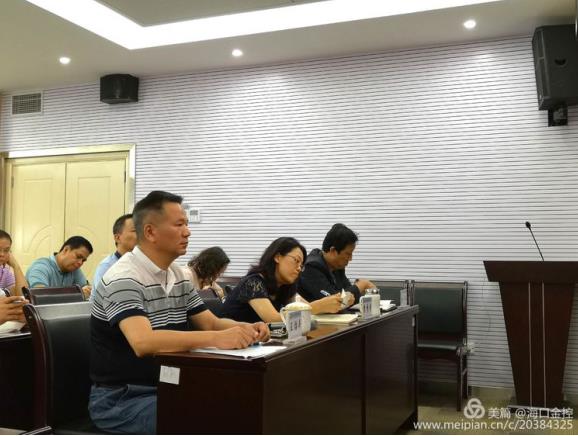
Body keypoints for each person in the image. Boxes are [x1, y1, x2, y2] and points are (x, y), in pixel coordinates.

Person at [89, 191, 269, 434]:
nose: (188, 232)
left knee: (245, 403)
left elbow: (210, 323)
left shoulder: (177, 275)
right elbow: (143, 342)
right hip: (122, 399)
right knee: (210, 420)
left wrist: (246, 328)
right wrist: (218, 338)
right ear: (150, 232)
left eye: (186, 224)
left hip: (169, 383)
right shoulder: (124, 277)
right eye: (179, 224)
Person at [221, 237, 347, 324]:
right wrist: (317, 307)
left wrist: (329, 304)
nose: (299, 268)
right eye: (296, 261)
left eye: (301, 265)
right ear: (277, 257)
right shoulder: (253, 282)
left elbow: (302, 307)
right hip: (227, 345)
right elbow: (273, 319)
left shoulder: (285, 286)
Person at [299, 223, 376, 304]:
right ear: (333, 250)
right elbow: (334, 302)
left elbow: (348, 294)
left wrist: (358, 290)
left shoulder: (336, 266)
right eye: (348, 254)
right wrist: (361, 285)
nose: (350, 258)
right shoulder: (311, 267)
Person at [25, 236, 93, 299]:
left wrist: (86, 291)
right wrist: (77, 295)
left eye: (83, 260)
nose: (80, 263)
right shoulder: (41, 266)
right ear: (66, 250)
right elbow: (41, 296)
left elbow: (87, 290)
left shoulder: (74, 269)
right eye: (78, 256)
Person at [90, 214, 137, 302]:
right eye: (135, 230)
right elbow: (106, 299)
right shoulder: (107, 266)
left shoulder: (141, 263)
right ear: (117, 238)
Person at [0, 230, 28, 296]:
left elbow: (23, 296)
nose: (2, 254)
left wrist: (16, 266)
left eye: (6, 250)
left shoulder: (5, 272)